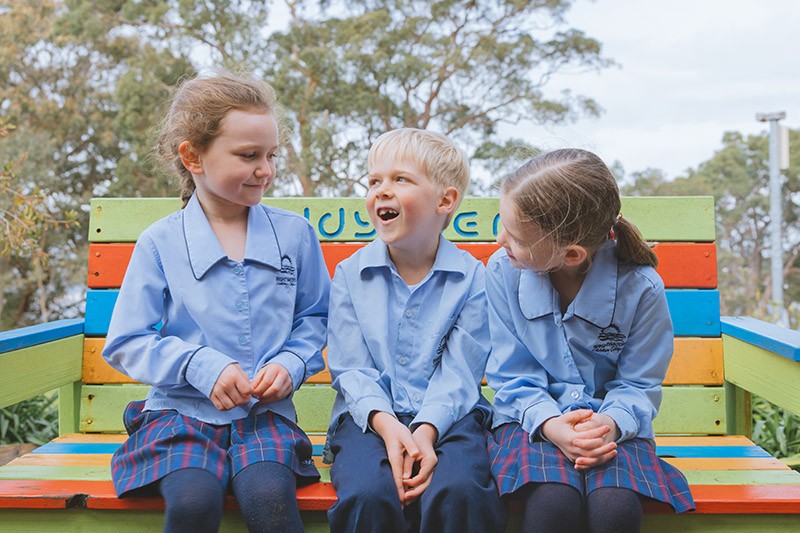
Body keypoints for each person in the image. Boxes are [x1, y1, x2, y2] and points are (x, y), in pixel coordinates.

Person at [102, 71, 330, 533]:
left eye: (270, 155)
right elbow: (127, 340)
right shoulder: (160, 243)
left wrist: (291, 363)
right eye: (248, 156)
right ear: (193, 156)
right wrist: (198, 365)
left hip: (265, 419)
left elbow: (316, 319)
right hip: (179, 418)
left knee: (270, 500)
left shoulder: (295, 236)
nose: (265, 169)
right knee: (192, 500)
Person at [485, 148, 695, 533]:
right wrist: (552, 424)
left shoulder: (642, 288)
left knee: (614, 507)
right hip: (530, 420)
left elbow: (638, 383)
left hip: (614, 427)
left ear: (570, 254)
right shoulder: (502, 271)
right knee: (552, 501)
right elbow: (511, 371)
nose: (500, 240)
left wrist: (607, 426)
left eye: (514, 236)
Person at [324, 128, 507, 533]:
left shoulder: (472, 278)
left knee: (460, 489)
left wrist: (426, 430)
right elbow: (351, 368)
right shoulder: (350, 275)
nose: (381, 191)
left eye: (400, 179)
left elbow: (461, 371)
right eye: (374, 181)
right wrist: (388, 426)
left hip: (451, 418)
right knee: (369, 493)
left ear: (444, 200)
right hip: (368, 420)